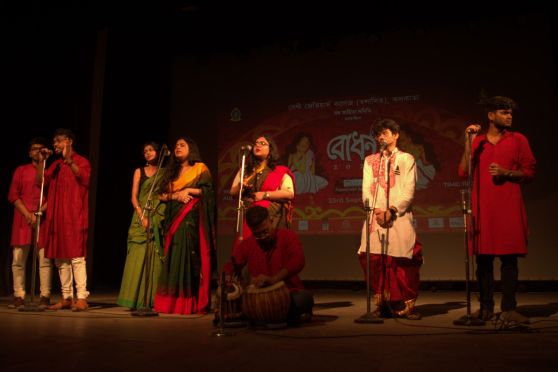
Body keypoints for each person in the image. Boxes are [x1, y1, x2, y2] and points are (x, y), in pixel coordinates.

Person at [458, 96, 535, 324]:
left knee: (509, 260)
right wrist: (467, 141)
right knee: (483, 260)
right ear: (491, 115)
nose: (509, 115)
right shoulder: (478, 142)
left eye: (510, 112)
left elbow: (529, 172)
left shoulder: (518, 139)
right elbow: (463, 171)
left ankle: (509, 308)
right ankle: (486, 308)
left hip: (508, 207)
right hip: (483, 209)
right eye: (504, 112)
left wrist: (507, 172)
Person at [357, 118, 423, 320]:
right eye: (379, 134)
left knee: (402, 261)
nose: (381, 137)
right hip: (375, 218)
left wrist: (392, 211)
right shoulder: (370, 161)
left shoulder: (406, 159)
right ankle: (382, 304)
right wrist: (376, 210)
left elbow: (408, 191)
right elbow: (366, 190)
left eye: (386, 133)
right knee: (376, 260)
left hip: (399, 217)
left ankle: (406, 303)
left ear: (396, 135)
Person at [153, 136, 216, 314]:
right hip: (172, 219)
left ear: (191, 149)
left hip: (190, 219)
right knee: (173, 259)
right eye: (176, 146)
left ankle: (188, 303)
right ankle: (170, 303)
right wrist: (176, 195)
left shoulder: (200, 169)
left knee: (187, 258)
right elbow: (161, 195)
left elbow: (208, 191)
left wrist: (187, 190)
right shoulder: (170, 172)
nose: (177, 148)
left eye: (182, 145)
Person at [223, 205, 314, 326]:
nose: (263, 237)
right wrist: (227, 278)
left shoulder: (287, 236)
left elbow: (298, 261)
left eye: (265, 231)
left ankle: (263, 318)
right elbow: (231, 265)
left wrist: (275, 279)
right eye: (258, 234)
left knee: (304, 299)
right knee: (238, 303)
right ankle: (284, 318)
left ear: (271, 221)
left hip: (288, 293)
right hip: (259, 298)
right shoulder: (247, 244)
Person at [41, 128, 91, 311]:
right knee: (60, 258)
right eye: (54, 141)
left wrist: (69, 161)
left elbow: (83, 177)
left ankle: (82, 296)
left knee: (77, 257)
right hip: (57, 217)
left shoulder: (82, 161)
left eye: (59, 140)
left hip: (74, 216)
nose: (55, 144)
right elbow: (41, 182)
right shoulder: (55, 165)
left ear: (69, 141)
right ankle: (66, 296)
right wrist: (42, 161)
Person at [117, 142, 166, 310]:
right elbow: (133, 197)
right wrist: (142, 216)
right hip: (140, 216)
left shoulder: (165, 173)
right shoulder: (139, 171)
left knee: (154, 257)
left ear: (158, 152)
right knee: (137, 255)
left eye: (151, 150)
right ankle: (132, 298)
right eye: (145, 151)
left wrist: (156, 217)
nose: (147, 153)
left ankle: (151, 300)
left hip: (158, 215)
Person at [7, 137, 53, 309]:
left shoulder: (49, 171)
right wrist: (28, 214)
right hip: (23, 218)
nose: (37, 151)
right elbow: (13, 195)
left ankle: (45, 295)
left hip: (43, 217)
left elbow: (53, 195)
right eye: (34, 149)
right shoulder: (21, 170)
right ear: (29, 153)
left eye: (41, 149)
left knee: (44, 259)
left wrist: (39, 212)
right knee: (18, 259)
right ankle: (18, 294)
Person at [230, 135, 295, 239]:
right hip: (248, 217)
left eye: (263, 143)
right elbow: (233, 193)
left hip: (270, 219)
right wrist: (241, 186)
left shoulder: (279, 171)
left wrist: (264, 195)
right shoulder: (245, 170)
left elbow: (289, 193)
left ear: (271, 150)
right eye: (256, 143)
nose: (258, 145)